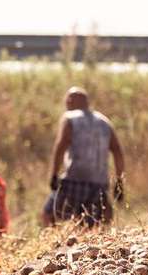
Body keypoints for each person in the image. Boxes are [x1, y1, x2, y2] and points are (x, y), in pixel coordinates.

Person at [42, 86, 125, 227]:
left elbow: (60, 146)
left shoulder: (70, 118)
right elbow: (117, 152)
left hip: (74, 180)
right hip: (99, 183)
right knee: (94, 222)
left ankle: (55, 245)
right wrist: (119, 182)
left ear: (70, 101)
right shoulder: (104, 122)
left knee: (49, 213)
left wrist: (54, 174)